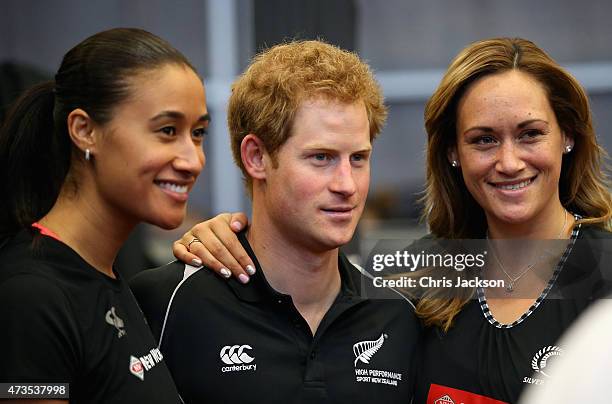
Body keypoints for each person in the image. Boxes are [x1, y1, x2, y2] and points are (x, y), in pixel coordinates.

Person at [174, 37, 612, 404]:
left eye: (530, 133)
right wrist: (219, 238)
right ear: (452, 154)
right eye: (484, 140)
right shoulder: (415, 275)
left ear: (568, 137)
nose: (509, 161)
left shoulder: (604, 269)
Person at [130, 40, 420, 404]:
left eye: (359, 158)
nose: (347, 185)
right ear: (256, 157)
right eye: (321, 157)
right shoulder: (166, 302)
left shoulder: (397, 316)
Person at [0, 28, 209, 404]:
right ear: (85, 131)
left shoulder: (106, 277)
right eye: (167, 130)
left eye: (197, 133)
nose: (192, 160)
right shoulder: (31, 296)